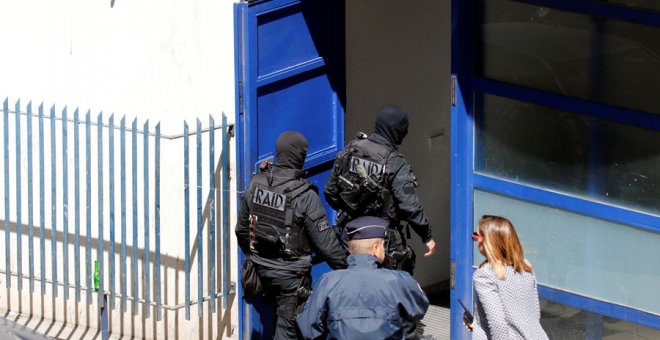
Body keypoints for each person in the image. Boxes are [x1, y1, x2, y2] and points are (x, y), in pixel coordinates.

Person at [235, 131, 348, 340]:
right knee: (288, 332)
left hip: (260, 272)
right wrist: (350, 268)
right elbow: (326, 246)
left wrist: (258, 256)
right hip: (291, 279)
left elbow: (241, 230)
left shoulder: (255, 185)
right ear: (301, 157)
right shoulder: (305, 195)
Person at [324, 104, 436, 275]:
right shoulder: (394, 162)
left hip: (351, 234)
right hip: (383, 240)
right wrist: (426, 236)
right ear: (397, 129)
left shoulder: (351, 149)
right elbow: (409, 206)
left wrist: (352, 211)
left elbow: (330, 192)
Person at [297, 216, 429, 340]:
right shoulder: (398, 279)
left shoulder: (328, 281)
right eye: (383, 246)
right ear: (376, 249)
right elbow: (419, 309)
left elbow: (308, 328)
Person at [466, 215, 549, 340]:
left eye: (476, 235)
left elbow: (498, 323)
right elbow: (533, 315)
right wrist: (477, 327)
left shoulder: (485, 275)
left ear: (487, 241)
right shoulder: (525, 267)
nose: (475, 240)